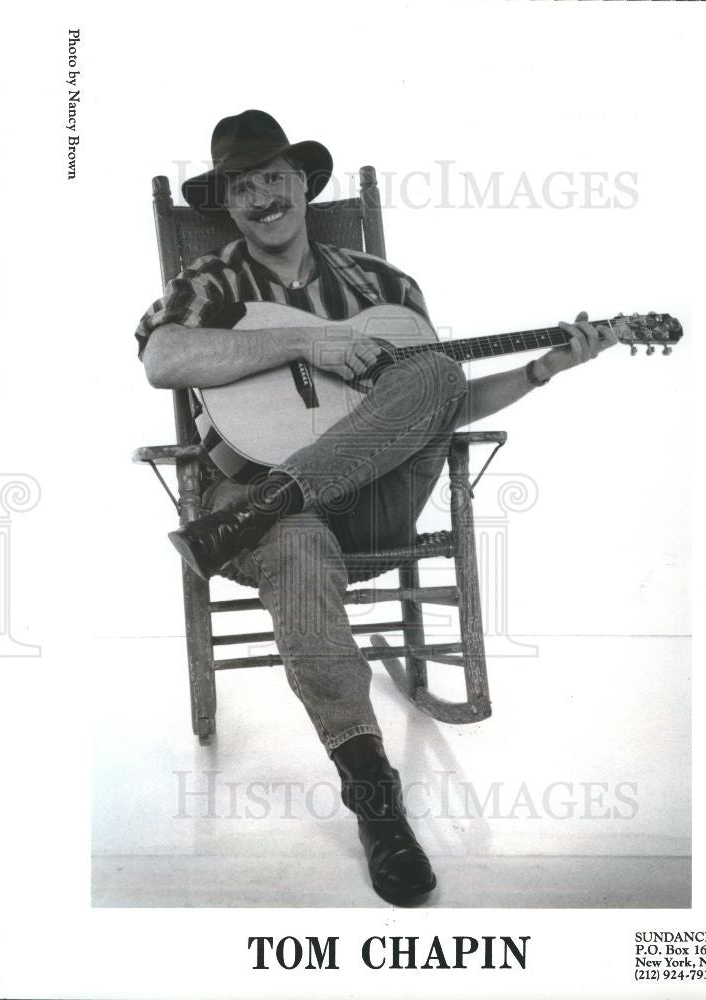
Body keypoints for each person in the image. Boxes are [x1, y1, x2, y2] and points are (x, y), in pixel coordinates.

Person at [136, 110, 617, 906]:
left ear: (303, 185)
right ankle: (378, 807)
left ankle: (265, 506)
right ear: (225, 202)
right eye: (242, 185)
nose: (261, 196)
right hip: (262, 506)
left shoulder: (383, 288)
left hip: (358, 504)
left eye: (274, 178)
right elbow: (164, 358)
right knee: (292, 542)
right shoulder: (211, 283)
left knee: (433, 375)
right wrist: (304, 344)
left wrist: (542, 371)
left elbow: (431, 407)